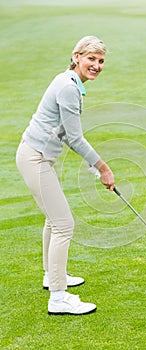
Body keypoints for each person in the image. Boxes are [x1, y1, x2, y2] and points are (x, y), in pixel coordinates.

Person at [16, 36, 115, 315]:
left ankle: (52, 276)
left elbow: (64, 133)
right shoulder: (69, 88)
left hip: (36, 157)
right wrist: (102, 167)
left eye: (101, 61)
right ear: (76, 56)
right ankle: (58, 298)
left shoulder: (68, 82)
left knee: (54, 220)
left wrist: (90, 165)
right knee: (64, 224)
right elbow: (74, 137)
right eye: (91, 59)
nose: (96, 65)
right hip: (35, 159)